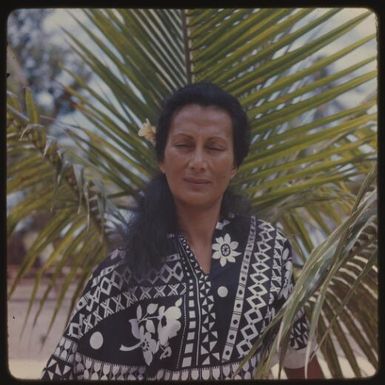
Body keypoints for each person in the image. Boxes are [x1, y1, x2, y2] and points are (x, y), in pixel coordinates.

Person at [41, 82, 323, 380]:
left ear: (234, 165)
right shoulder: (120, 273)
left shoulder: (269, 249)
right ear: (162, 158)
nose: (198, 162)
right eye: (184, 145)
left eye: (214, 148)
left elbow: (300, 358)